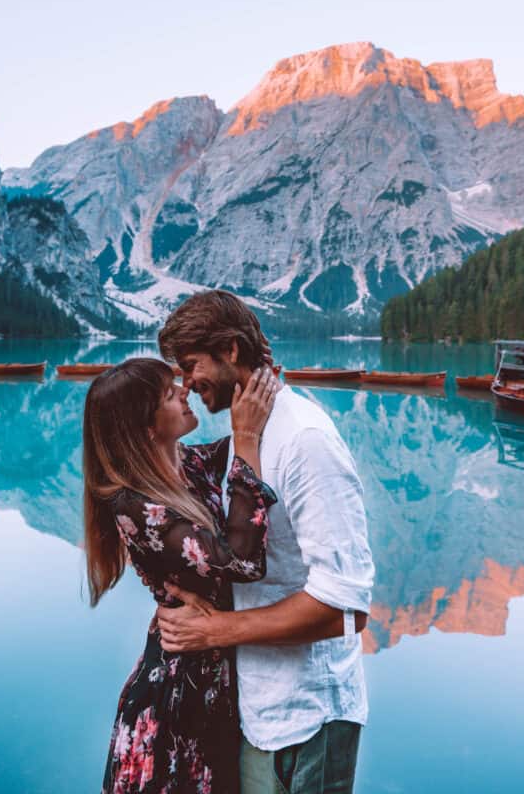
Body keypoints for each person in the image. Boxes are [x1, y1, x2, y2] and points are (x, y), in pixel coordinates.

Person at [157, 291, 375, 794]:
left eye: (191, 366)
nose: (187, 384)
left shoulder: (306, 440)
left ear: (232, 350)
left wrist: (214, 632)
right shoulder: (245, 433)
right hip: (261, 710)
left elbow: (346, 609)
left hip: (308, 720)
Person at [83, 357, 278, 793]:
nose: (184, 392)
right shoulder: (133, 505)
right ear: (147, 427)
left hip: (209, 678)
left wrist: (251, 383)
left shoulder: (188, 463)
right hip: (175, 699)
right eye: (171, 394)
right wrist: (246, 438)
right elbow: (243, 561)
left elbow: (254, 440)